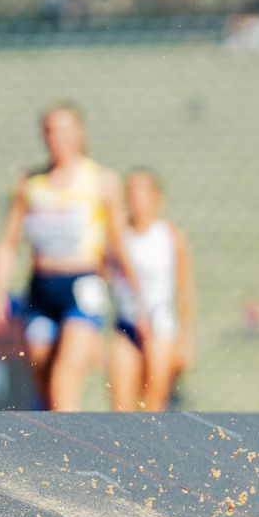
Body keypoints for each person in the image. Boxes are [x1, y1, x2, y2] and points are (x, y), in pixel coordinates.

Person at [0, 104, 141, 411]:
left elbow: (117, 242)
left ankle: (68, 451)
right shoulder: (30, 184)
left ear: (80, 134)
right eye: (50, 131)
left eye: (64, 130)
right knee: (40, 366)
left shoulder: (101, 180)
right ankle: (54, 438)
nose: (56, 138)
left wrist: (136, 294)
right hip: (41, 288)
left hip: (83, 285)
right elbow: (9, 244)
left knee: (65, 375)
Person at [106, 169, 194, 412]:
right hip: (126, 323)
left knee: (153, 403)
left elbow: (185, 290)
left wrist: (185, 340)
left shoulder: (170, 236)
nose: (136, 198)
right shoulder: (117, 236)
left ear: (157, 197)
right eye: (131, 191)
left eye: (143, 191)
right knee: (120, 406)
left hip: (160, 324)